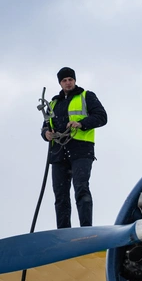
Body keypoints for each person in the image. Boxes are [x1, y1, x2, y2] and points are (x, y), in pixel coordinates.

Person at [41, 67, 107, 228]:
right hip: (58, 153)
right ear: (60, 83)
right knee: (60, 195)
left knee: (81, 188)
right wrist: (46, 134)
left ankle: (85, 229)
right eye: (64, 80)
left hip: (81, 150)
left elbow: (102, 117)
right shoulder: (53, 103)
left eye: (70, 79)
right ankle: (63, 233)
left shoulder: (86, 96)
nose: (68, 82)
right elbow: (45, 126)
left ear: (75, 80)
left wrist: (81, 123)